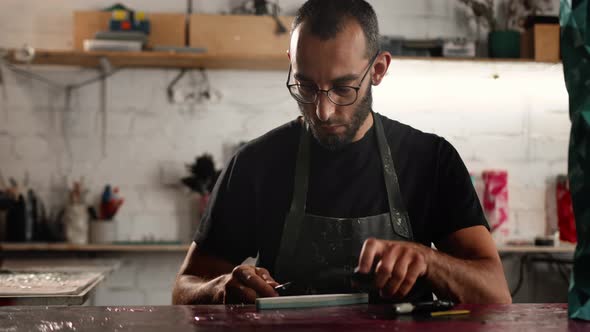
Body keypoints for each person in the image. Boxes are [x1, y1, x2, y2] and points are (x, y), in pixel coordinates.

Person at [173, 0, 511, 305]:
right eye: (305, 86)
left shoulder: (431, 160)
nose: (323, 110)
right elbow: (184, 288)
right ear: (292, 64)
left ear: (378, 70)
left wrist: (429, 260)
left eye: (343, 88)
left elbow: (495, 293)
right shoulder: (256, 164)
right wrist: (218, 289)